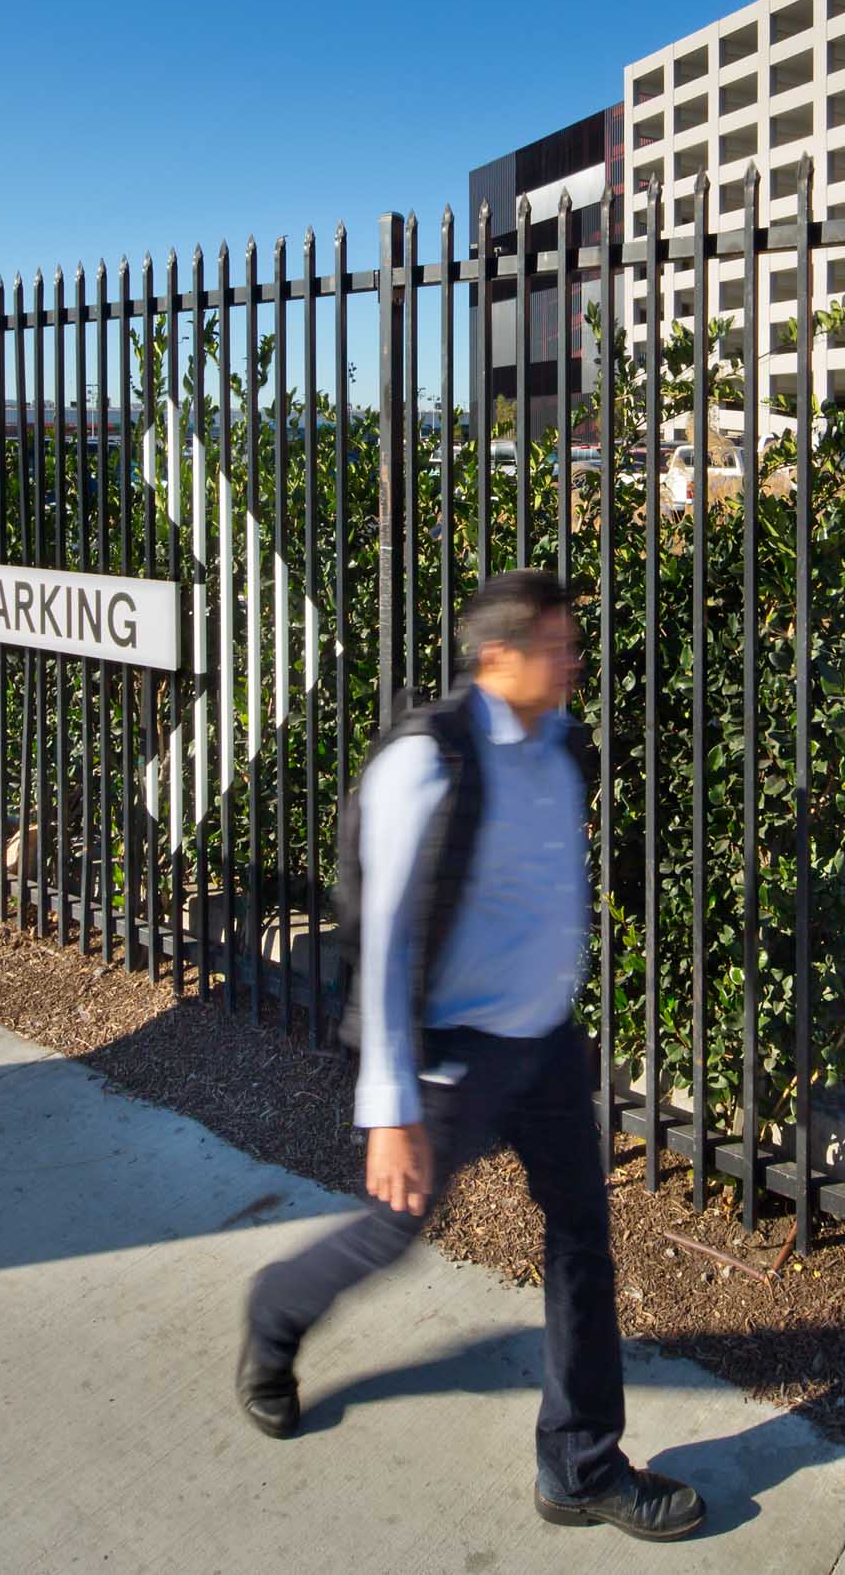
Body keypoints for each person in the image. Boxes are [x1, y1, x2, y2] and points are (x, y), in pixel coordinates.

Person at [238, 568, 707, 1543]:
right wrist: (393, 1104)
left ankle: (578, 1462)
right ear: (498, 654)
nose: (574, 655)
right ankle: (275, 1310)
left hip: (541, 1038)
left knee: (581, 1231)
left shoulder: (558, 746)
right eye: (556, 640)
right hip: (455, 1045)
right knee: (390, 1230)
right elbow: (387, 939)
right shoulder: (430, 762)